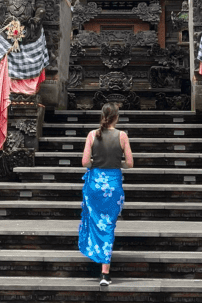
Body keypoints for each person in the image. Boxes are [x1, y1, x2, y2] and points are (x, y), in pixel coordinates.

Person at [78, 103, 134, 287]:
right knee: (108, 226)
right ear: (116, 117)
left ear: (102, 116)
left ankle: (97, 254)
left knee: (96, 222)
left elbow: (85, 162)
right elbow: (130, 164)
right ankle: (105, 273)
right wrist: (117, 163)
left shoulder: (92, 135)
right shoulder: (122, 136)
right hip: (113, 186)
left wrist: (97, 163)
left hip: (95, 185)